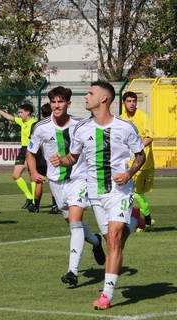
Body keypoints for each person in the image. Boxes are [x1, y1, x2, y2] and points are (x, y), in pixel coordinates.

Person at [50, 81, 145, 309]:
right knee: (113, 240)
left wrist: (129, 172)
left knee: (113, 239)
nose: (86, 97)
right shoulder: (82, 128)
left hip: (119, 190)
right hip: (95, 193)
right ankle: (134, 221)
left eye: (91, 93)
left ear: (104, 98)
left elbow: (141, 156)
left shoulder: (125, 126)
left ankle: (107, 295)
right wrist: (62, 160)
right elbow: (73, 157)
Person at [27, 86, 106, 287]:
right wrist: (34, 172)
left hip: (79, 179)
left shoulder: (81, 125)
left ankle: (72, 271)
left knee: (75, 220)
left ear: (68, 104)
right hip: (56, 183)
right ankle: (96, 242)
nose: (56, 105)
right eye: (53, 101)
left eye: (60, 101)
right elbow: (31, 152)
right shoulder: (41, 127)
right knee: (71, 222)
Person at [0, 99, 37, 209]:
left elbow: (35, 142)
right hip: (23, 150)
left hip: (31, 151)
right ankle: (29, 197)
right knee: (16, 175)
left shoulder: (34, 124)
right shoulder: (22, 122)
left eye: (21, 112)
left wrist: (29, 157)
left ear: (28, 112)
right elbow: (10, 118)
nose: (19, 114)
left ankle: (35, 201)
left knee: (32, 176)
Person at [121, 91, 156, 231]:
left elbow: (149, 137)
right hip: (127, 163)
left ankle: (146, 221)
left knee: (136, 192)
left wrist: (136, 148)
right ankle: (134, 220)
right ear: (123, 103)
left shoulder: (143, 116)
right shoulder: (121, 119)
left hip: (143, 163)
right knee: (126, 192)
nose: (132, 103)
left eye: (134, 101)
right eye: (129, 101)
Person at [27, 103, 59, 214]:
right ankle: (55, 205)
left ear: (42, 113)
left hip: (39, 156)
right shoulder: (56, 125)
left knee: (38, 182)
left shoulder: (37, 125)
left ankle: (36, 206)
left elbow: (32, 142)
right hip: (51, 157)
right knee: (53, 181)